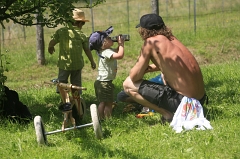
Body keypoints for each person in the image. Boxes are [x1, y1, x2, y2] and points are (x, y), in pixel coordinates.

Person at [123, 14, 207, 123]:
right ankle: (174, 110)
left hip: (185, 104)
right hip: (200, 100)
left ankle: (167, 115)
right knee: (163, 74)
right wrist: (151, 68)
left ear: (143, 30)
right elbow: (173, 67)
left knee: (128, 84)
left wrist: (142, 70)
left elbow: (134, 77)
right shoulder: (172, 39)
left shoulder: (151, 42)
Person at [48, 9, 96, 95]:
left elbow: (53, 41)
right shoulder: (81, 35)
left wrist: (50, 47)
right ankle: (76, 102)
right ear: (79, 23)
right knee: (76, 84)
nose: (82, 26)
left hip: (64, 64)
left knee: (62, 83)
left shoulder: (61, 31)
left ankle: (65, 101)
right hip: (77, 65)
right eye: (83, 23)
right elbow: (87, 49)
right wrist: (92, 61)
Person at [89, 26, 125, 120]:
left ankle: (100, 119)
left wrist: (120, 45)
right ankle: (106, 119)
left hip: (100, 82)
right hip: (105, 83)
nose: (111, 38)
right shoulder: (107, 52)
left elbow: (117, 51)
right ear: (103, 43)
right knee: (108, 103)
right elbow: (120, 55)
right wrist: (121, 44)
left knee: (102, 102)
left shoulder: (105, 51)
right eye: (108, 38)